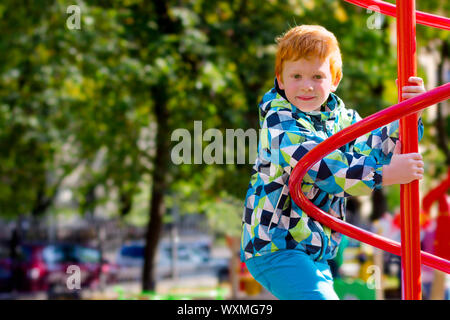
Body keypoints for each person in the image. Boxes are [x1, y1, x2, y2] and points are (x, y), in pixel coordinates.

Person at [240, 25, 426, 300]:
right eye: (296, 76)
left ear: (335, 79)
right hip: (275, 244)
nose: (306, 85)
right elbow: (323, 169)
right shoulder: (279, 123)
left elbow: (373, 147)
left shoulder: (343, 120)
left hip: (315, 249)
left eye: (317, 76)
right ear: (280, 79)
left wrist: (410, 113)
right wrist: (383, 175)